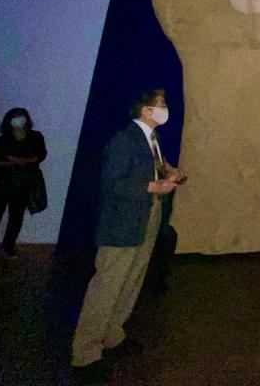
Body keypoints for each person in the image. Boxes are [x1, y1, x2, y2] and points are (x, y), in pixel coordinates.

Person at [71, 89, 187, 383]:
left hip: (147, 217)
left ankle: (113, 335)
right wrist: (152, 187)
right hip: (122, 223)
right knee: (107, 286)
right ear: (146, 110)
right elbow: (113, 183)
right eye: (161, 104)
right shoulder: (124, 140)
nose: (165, 108)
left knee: (132, 279)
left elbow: (154, 168)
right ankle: (85, 355)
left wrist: (170, 173)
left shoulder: (152, 139)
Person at [0, 108, 47, 257]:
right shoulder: (3, 140)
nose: (18, 119)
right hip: (1, 183)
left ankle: (8, 246)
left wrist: (26, 161)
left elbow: (41, 154)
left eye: (21, 116)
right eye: (15, 117)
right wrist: (10, 162)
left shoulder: (35, 137)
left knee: (16, 218)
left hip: (23, 183)